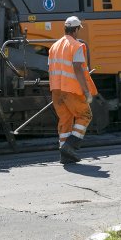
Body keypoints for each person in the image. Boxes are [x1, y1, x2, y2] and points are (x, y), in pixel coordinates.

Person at [48, 16, 98, 164]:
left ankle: (65, 156)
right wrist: (86, 91)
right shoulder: (76, 46)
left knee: (65, 120)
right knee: (85, 115)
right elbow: (77, 68)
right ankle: (70, 146)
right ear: (76, 30)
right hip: (71, 90)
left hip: (56, 90)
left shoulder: (54, 47)